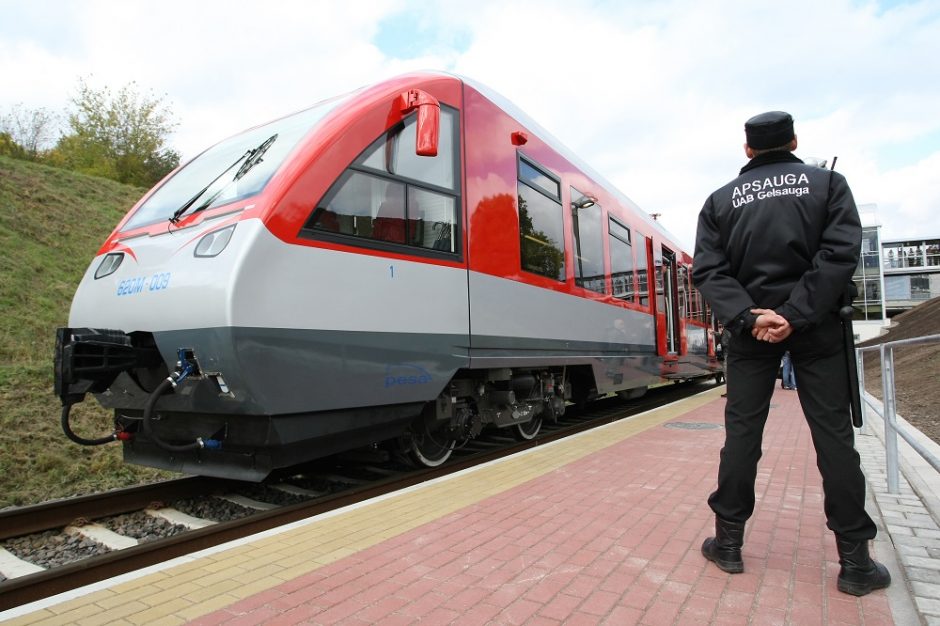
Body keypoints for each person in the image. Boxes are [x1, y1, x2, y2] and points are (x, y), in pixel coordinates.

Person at [691, 111, 890, 596]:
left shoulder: (719, 201)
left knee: (742, 437)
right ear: (795, 141)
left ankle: (729, 544)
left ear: (747, 150)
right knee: (834, 440)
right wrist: (796, 315)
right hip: (818, 330)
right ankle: (856, 563)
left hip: (748, 334)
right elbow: (840, 255)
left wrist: (754, 317)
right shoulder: (827, 184)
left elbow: (709, 271)